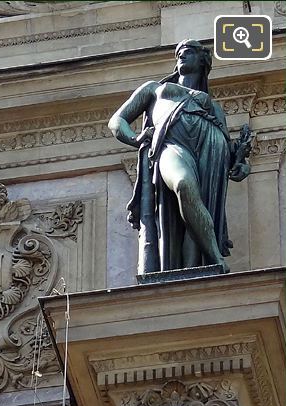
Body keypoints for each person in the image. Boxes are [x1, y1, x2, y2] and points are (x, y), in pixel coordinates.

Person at [108, 39, 251, 274]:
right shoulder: (155, 88)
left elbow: (229, 147)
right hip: (172, 145)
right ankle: (216, 259)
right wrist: (134, 138)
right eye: (179, 53)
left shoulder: (213, 108)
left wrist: (239, 164)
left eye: (188, 52)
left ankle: (197, 269)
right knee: (183, 184)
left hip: (210, 152)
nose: (181, 55)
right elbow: (117, 120)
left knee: (194, 214)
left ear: (203, 60)